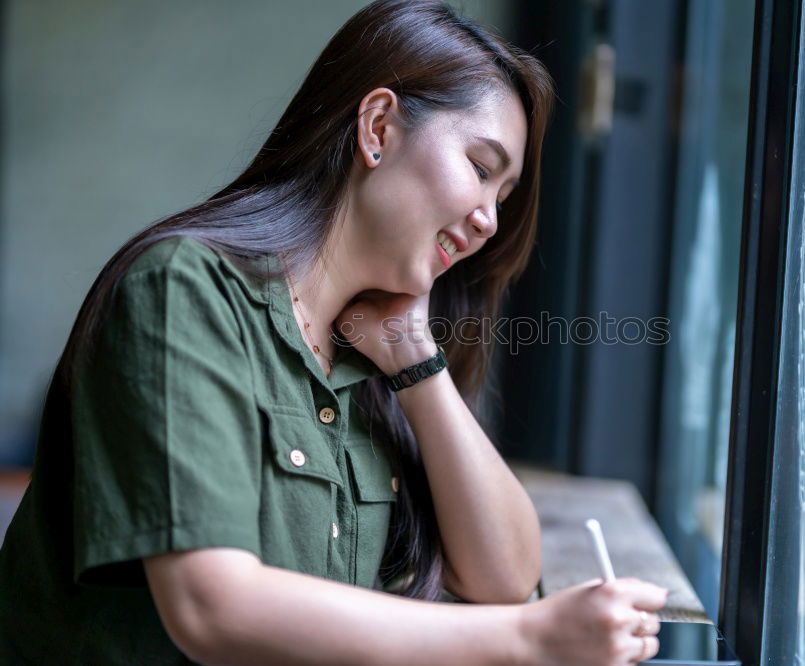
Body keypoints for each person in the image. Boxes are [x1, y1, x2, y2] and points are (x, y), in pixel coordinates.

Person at [0, 1, 668, 663]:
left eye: (505, 196)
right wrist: (529, 639)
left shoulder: (375, 355)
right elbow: (211, 607)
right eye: (481, 167)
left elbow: (504, 577)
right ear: (378, 127)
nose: (490, 219)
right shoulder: (184, 291)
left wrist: (416, 359)